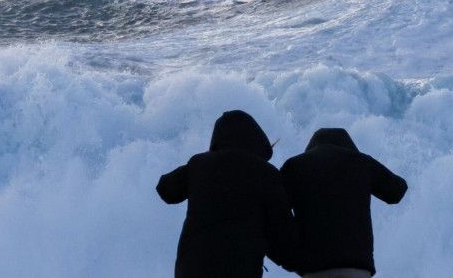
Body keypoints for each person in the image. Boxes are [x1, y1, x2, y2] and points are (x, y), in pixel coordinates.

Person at [157, 110, 301, 278]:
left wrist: (205, 160)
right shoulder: (266, 172)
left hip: (192, 267)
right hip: (239, 267)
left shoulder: (200, 164)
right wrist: (300, 264)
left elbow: (166, 190)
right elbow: (281, 234)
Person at [281, 128, 408, 278]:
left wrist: (289, 259)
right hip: (357, 268)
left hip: (314, 268)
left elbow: (275, 210)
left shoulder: (295, 166)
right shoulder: (361, 162)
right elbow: (397, 191)